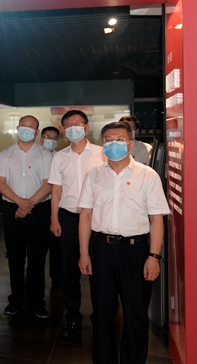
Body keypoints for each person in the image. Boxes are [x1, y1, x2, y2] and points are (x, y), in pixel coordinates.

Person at [78, 121, 169, 364]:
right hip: (101, 249)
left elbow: (156, 219)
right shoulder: (94, 175)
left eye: (119, 139)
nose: (113, 144)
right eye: (108, 140)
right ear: (102, 145)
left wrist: (154, 256)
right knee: (102, 312)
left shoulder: (147, 175)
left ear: (130, 144)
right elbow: (85, 216)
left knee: (135, 313)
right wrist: (84, 253)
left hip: (136, 251)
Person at [48, 110, 104, 338]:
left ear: (86, 127)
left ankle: (101, 317)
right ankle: (73, 317)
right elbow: (56, 190)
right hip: (69, 219)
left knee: (99, 271)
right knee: (68, 272)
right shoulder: (59, 157)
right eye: (68, 125)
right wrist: (54, 219)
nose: (73, 128)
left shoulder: (102, 154)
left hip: (97, 221)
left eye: (77, 124)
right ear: (63, 130)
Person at [0, 115, 53, 319]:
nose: (27, 129)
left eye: (31, 126)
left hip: (39, 211)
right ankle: (16, 299)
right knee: (15, 258)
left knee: (38, 259)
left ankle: (37, 301)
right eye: (24, 125)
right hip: (12, 211)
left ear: (36, 132)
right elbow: (0, 183)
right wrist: (21, 202)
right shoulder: (6, 153)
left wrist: (28, 205)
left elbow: (48, 184)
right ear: (17, 127)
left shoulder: (45, 154)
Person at [40, 125, 62, 288]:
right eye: (48, 137)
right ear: (41, 138)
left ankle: (56, 278)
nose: (51, 141)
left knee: (56, 245)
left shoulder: (60, 157)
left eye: (54, 138)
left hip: (56, 205)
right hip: (39, 205)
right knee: (38, 245)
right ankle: (32, 276)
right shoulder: (34, 156)